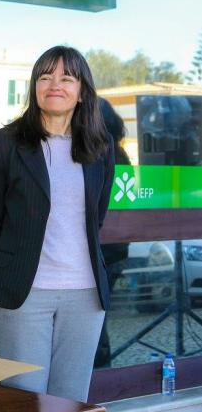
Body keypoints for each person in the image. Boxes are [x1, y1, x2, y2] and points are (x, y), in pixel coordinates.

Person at [0, 46, 114, 412]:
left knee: (69, 410)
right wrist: (12, 266)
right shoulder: (3, 144)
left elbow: (97, 217)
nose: (55, 84)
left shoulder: (99, 148)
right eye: (45, 75)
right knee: (24, 410)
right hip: (24, 295)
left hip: (84, 295)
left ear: (82, 92)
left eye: (68, 78)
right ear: (34, 85)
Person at [94, 98, 130, 368]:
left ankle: (99, 369)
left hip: (104, 250)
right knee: (98, 314)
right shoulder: (120, 153)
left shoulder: (102, 154)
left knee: (95, 316)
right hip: (116, 249)